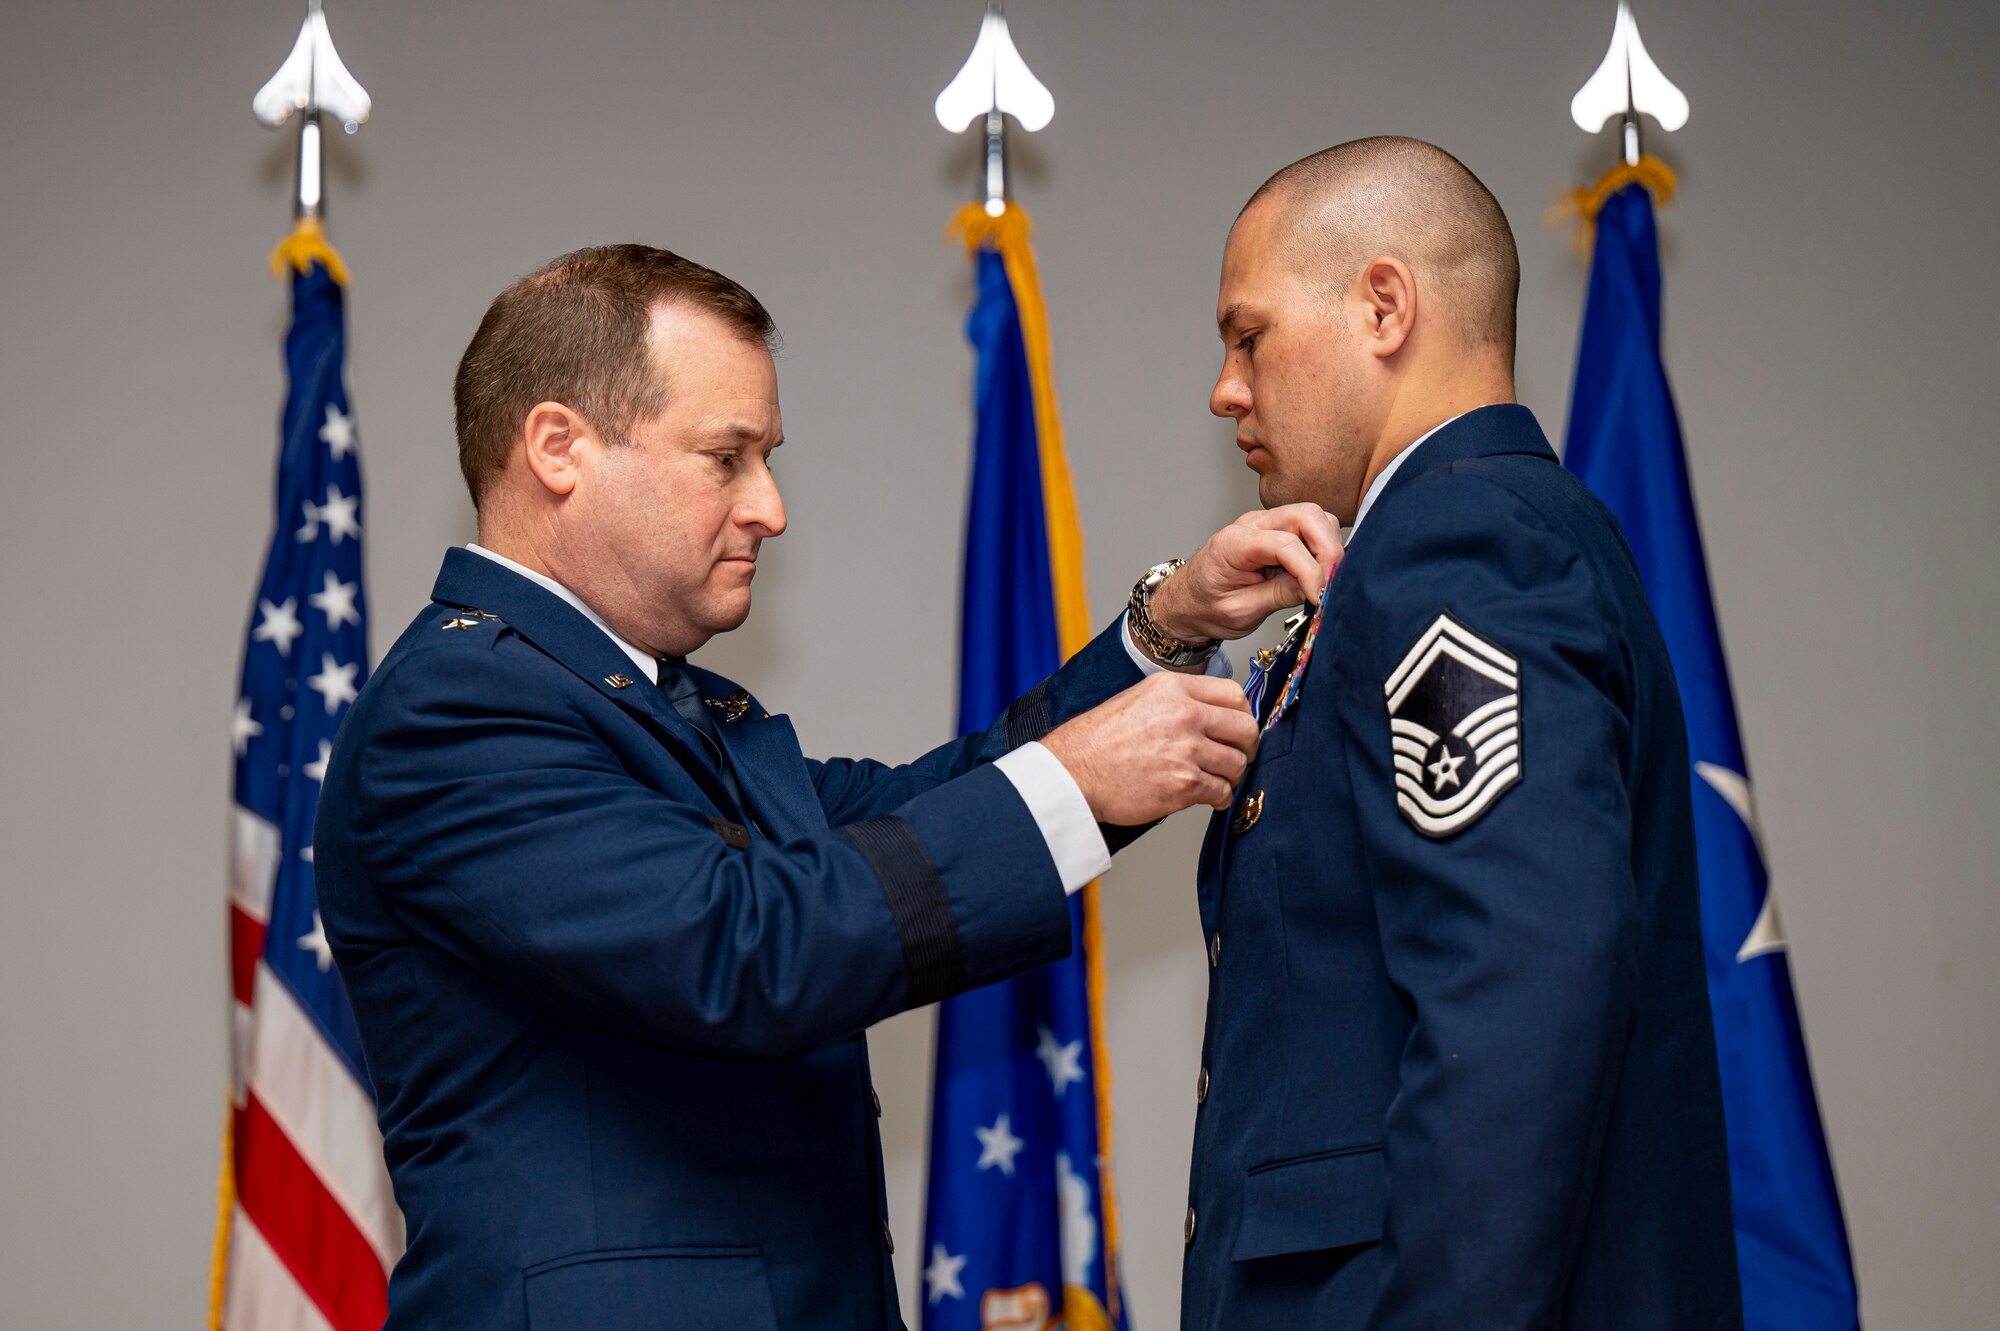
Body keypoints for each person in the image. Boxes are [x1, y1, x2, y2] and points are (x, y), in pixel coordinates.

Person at [313, 244, 1334, 1331]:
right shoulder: (457, 709)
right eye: (726, 456)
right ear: (559, 447)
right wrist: (1073, 777)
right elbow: (744, 947)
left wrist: (1163, 626)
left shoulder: (653, 704)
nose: (770, 507)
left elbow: (914, 810)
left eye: (769, 457)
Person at [1153, 138, 1742, 1328]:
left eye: (1247, 334)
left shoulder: (1453, 546)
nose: (1224, 386)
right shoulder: (1469, 538)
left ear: (1383, 306)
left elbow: (1512, 1010)